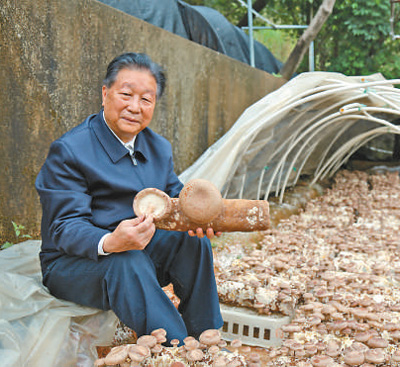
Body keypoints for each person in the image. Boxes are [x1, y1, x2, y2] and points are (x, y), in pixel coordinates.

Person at [35, 52, 223, 344]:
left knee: (193, 240)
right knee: (126, 260)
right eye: (126, 94)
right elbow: (64, 226)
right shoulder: (71, 151)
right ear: (105, 93)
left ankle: (207, 337)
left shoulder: (158, 148)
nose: (135, 107)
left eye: (146, 99)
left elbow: (175, 199)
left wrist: (199, 217)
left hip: (139, 253)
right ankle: (178, 352)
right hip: (75, 265)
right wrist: (110, 242)